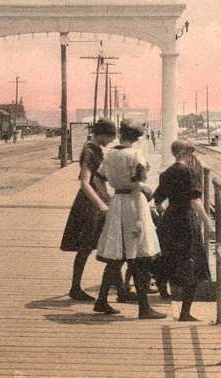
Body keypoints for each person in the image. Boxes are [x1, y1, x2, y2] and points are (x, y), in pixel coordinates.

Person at [93, 120, 165, 319]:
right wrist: (145, 189)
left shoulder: (110, 154)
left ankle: (101, 300)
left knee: (118, 255)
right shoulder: (135, 154)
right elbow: (139, 180)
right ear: (136, 138)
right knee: (140, 255)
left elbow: (98, 178)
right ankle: (144, 308)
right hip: (134, 204)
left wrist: (107, 196)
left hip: (118, 202)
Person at [153, 140, 211, 322]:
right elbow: (195, 201)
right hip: (186, 221)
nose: (192, 156)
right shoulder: (190, 172)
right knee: (191, 263)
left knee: (167, 258)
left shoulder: (167, 173)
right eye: (191, 153)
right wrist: (208, 224)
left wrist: (165, 213)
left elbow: (157, 201)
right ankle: (185, 313)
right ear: (187, 153)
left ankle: (164, 294)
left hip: (170, 220)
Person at [60, 120, 117, 301]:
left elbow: (102, 176)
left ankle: (118, 285)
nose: (111, 140)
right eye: (109, 137)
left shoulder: (97, 150)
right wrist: (101, 205)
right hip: (90, 204)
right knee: (86, 246)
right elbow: (85, 183)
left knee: (109, 244)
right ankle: (75, 288)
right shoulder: (89, 151)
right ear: (100, 134)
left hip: (100, 199)